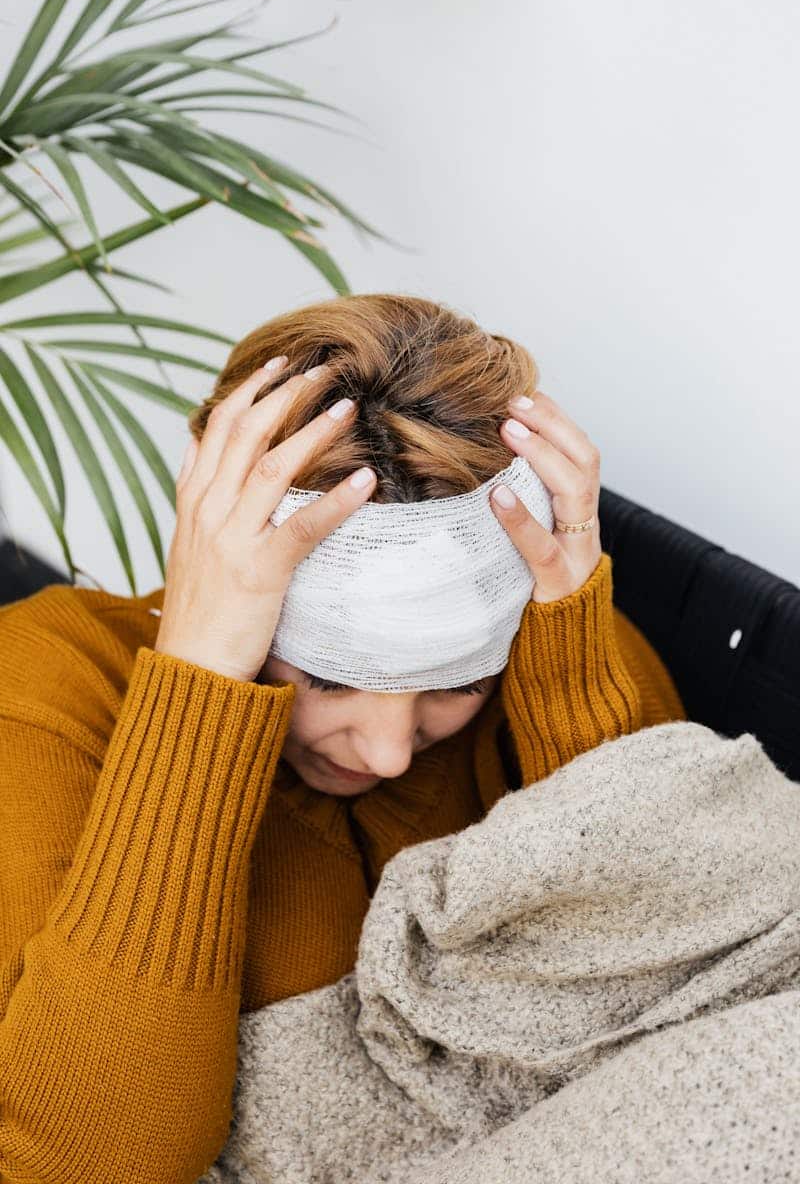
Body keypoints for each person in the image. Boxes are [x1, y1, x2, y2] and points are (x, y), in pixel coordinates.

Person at [0, 294, 685, 1183]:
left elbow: (679, 990)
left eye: (455, 682)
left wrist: (571, 664)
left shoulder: (552, 645)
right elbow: (90, 1164)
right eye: (326, 676)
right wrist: (203, 684)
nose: (389, 753)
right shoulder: (46, 688)